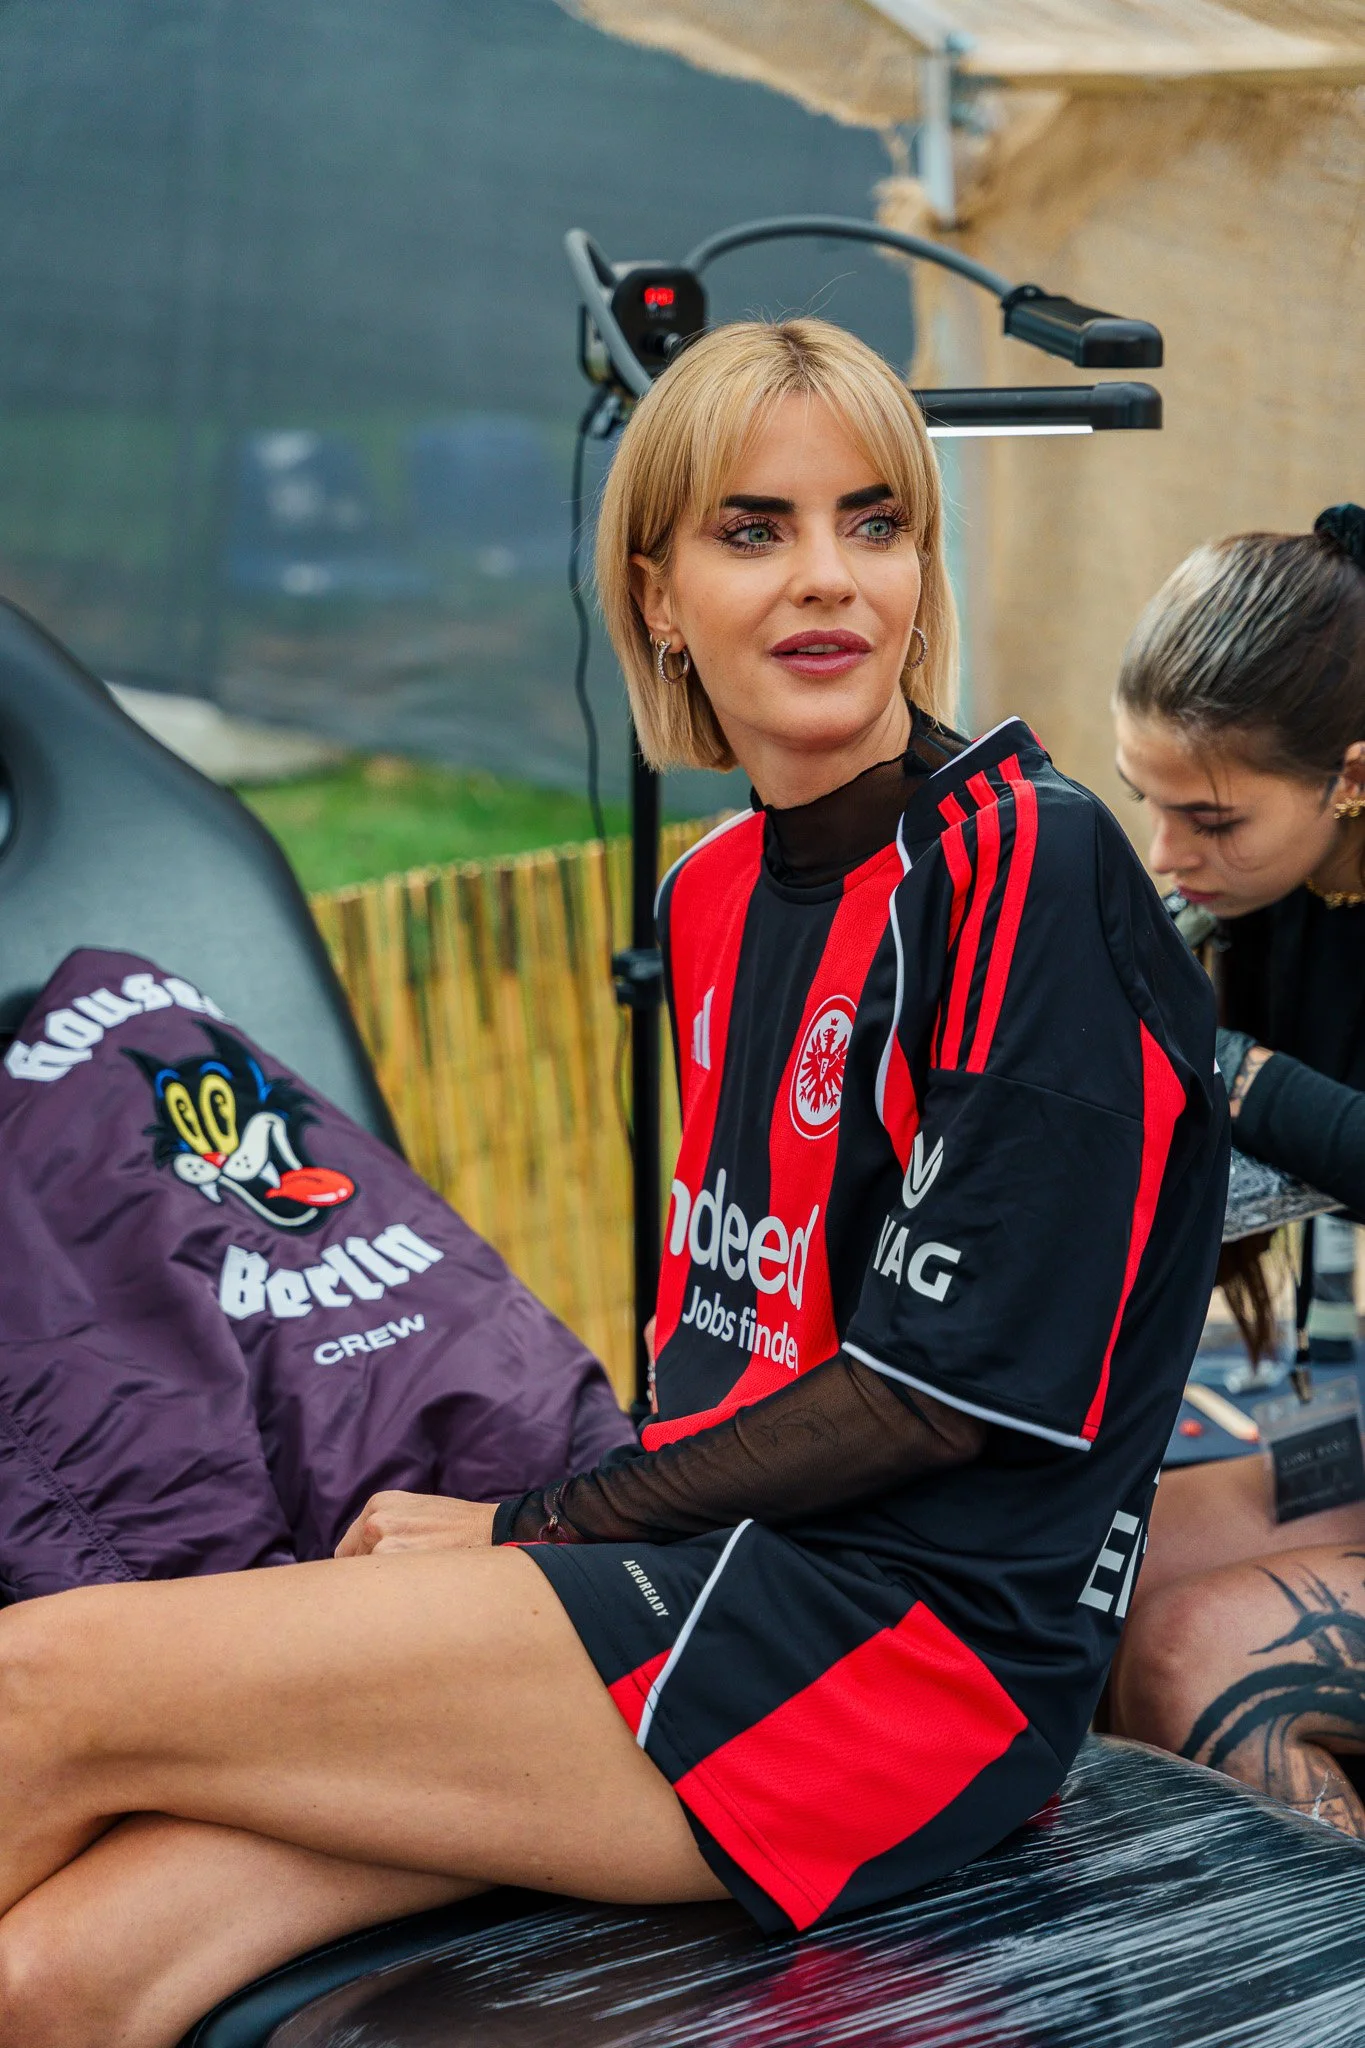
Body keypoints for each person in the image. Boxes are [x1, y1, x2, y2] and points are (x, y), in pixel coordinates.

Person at [0, 318, 1225, 2048]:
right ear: (656, 593)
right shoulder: (713, 894)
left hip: (903, 1674)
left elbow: (932, 1400)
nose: (829, 577)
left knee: (40, 1679)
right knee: (61, 1973)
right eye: (755, 529)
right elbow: (736, 1349)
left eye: (876, 523)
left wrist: (529, 1531)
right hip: (713, 1580)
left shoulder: (1027, 858)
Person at [1107, 506, 1365, 1834]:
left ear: (1352, 778)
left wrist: (1226, 1066)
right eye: (1145, 801)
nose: (1166, 855)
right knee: (1079, 1575)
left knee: (1194, 1660)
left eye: (1209, 817)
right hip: (1352, 1410)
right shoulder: (1278, 902)